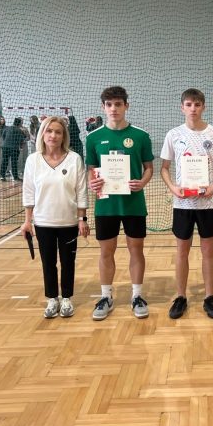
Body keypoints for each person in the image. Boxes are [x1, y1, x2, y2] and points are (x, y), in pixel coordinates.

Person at [160, 88, 213, 319]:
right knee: (182, 251)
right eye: (189, 105)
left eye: (197, 104)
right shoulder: (173, 134)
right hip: (183, 205)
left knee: (207, 251)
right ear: (182, 107)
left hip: (208, 203)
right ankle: (180, 296)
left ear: (203, 107)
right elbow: (164, 168)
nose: (193, 109)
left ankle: (209, 297)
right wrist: (173, 188)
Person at [86, 86, 154, 320]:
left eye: (118, 104)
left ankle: (137, 296)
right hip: (106, 206)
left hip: (134, 204)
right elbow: (91, 170)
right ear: (103, 107)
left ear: (126, 105)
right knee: (106, 251)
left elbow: (149, 168)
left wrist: (142, 182)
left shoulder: (141, 136)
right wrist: (93, 182)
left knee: (136, 250)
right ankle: (106, 296)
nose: (113, 108)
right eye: (109, 104)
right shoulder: (93, 138)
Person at [20, 116, 89, 318]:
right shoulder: (33, 160)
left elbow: (81, 191)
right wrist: (27, 221)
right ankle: (52, 299)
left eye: (58, 132)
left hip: (68, 222)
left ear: (64, 136)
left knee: (68, 262)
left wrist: (82, 219)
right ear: (42, 134)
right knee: (48, 263)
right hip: (43, 222)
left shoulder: (74, 159)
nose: (53, 135)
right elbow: (28, 192)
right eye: (49, 131)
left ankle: (66, 298)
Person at [0, 117, 26, 182]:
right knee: (14, 163)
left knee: (4, 161)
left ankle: (2, 176)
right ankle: (15, 177)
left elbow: (3, 136)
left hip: (5, 147)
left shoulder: (7, 128)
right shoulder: (19, 130)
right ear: (19, 124)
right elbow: (22, 139)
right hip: (14, 148)